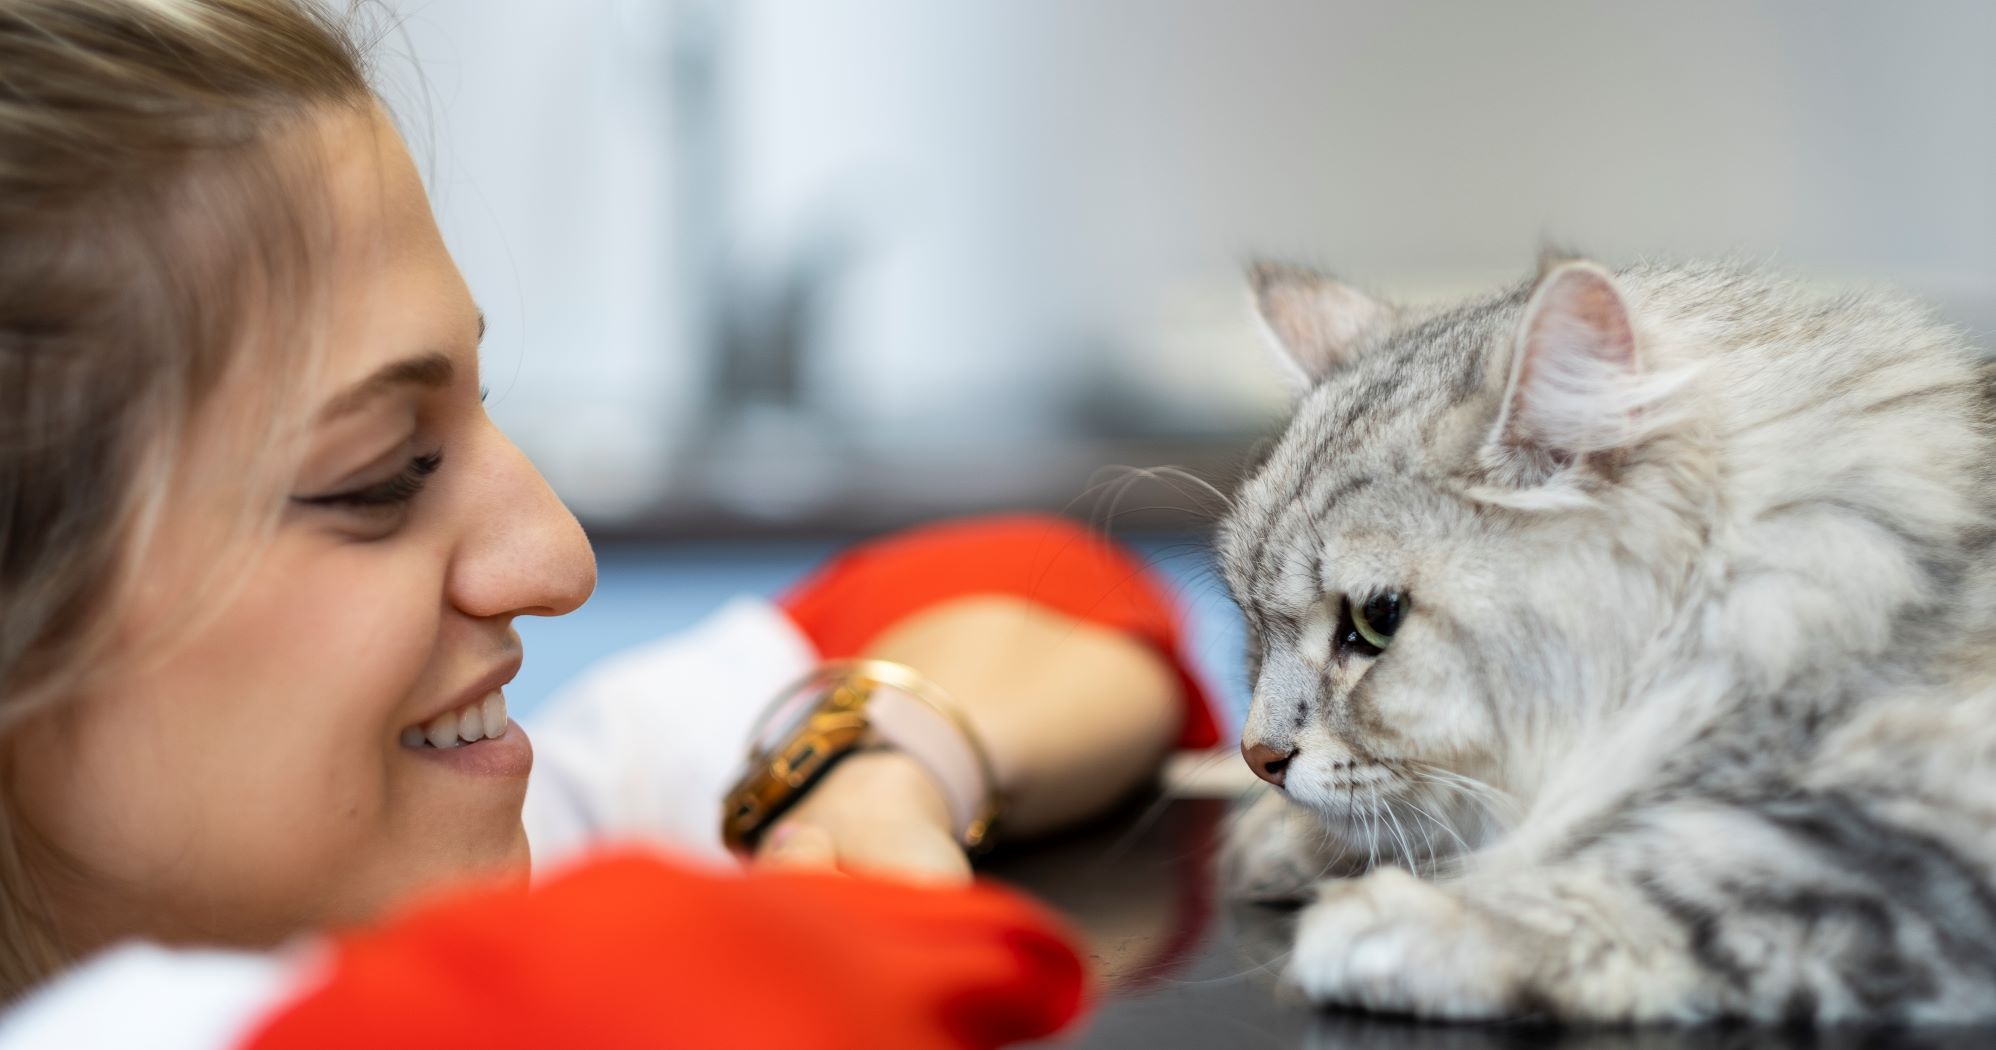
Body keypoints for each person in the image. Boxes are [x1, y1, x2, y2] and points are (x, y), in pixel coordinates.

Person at [0, 2, 1220, 1047]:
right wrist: (869, 909)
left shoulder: (485, 837)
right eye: (378, 475)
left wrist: (884, 769)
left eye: (479, 410)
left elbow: (1037, 586)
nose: (556, 558)